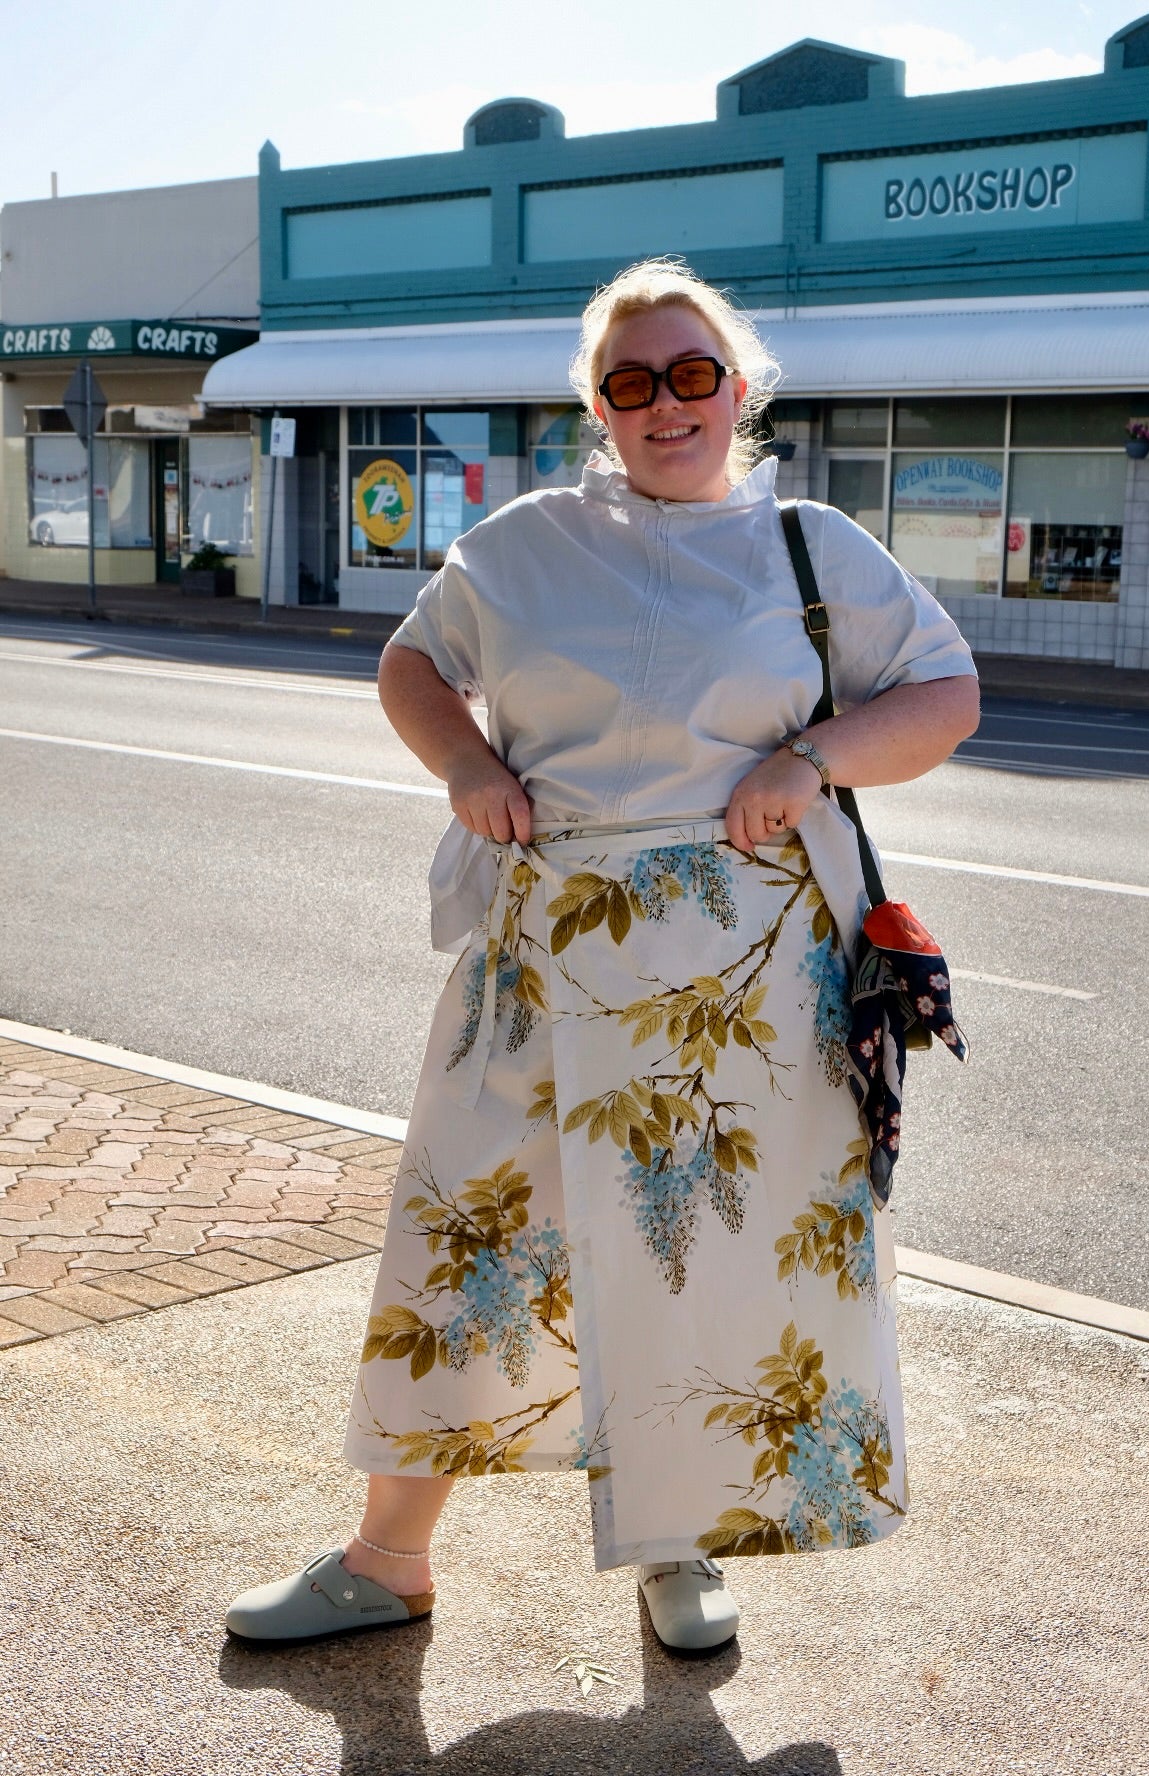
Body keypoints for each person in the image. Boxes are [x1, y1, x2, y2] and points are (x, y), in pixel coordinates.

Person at [227, 258, 979, 1655]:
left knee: (691, 1259)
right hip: (544, 957)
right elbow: (411, 662)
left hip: (749, 983)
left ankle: (676, 1548)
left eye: (693, 374)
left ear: (739, 388)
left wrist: (812, 757)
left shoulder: (813, 547)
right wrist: (461, 761)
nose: (666, 403)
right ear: (600, 403)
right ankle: (388, 1559)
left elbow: (946, 693)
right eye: (632, 383)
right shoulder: (521, 546)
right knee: (468, 1243)